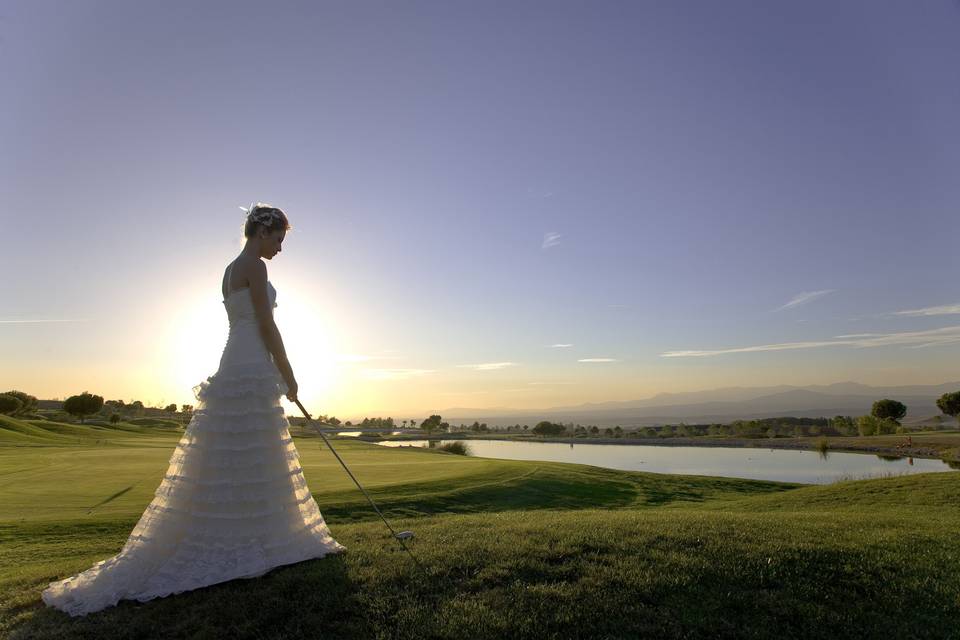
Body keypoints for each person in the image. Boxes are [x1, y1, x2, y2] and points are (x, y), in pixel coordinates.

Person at [41, 203, 346, 617]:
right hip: (251, 360)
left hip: (234, 359)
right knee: (253, 449)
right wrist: (288, 373)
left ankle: (247, 536)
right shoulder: (255, 267)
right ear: (262, 231)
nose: (280, 248)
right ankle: (250, 540)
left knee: (234, 453)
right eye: (279, 239)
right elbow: (266, 324)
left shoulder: (228, 269)